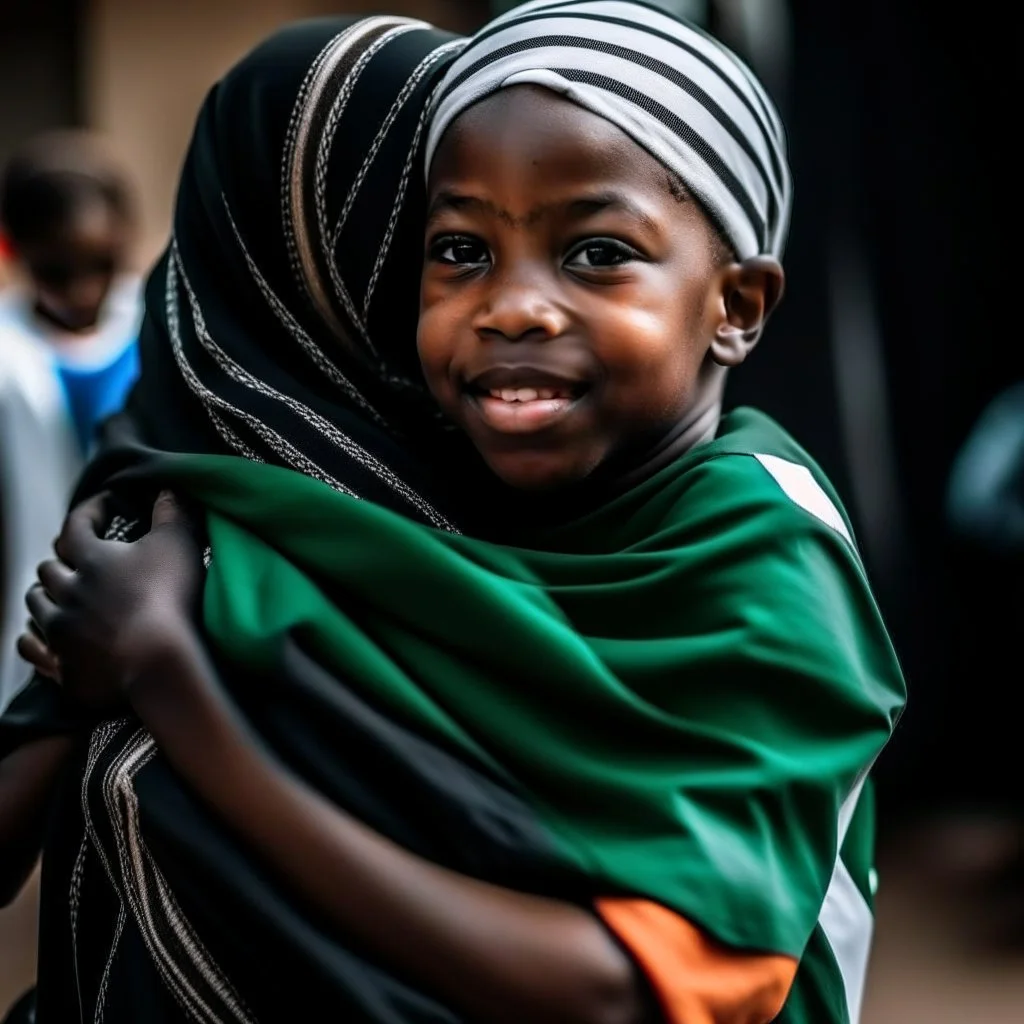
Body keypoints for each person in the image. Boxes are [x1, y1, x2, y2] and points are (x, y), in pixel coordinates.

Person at [2, 5, 905, 1023]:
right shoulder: (245, 531)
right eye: (455, 250)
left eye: (598, 250)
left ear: (735, 303)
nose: (511, 306)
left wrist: (174, 685)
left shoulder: (754, 549)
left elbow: (637, 990)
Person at [0, 131, 141, 711]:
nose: (82, 290)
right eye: (57, 270)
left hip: (136, 623)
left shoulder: (159, 328)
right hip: (20, 622)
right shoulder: (9, 351)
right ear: (14, 250)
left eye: (100, 265)